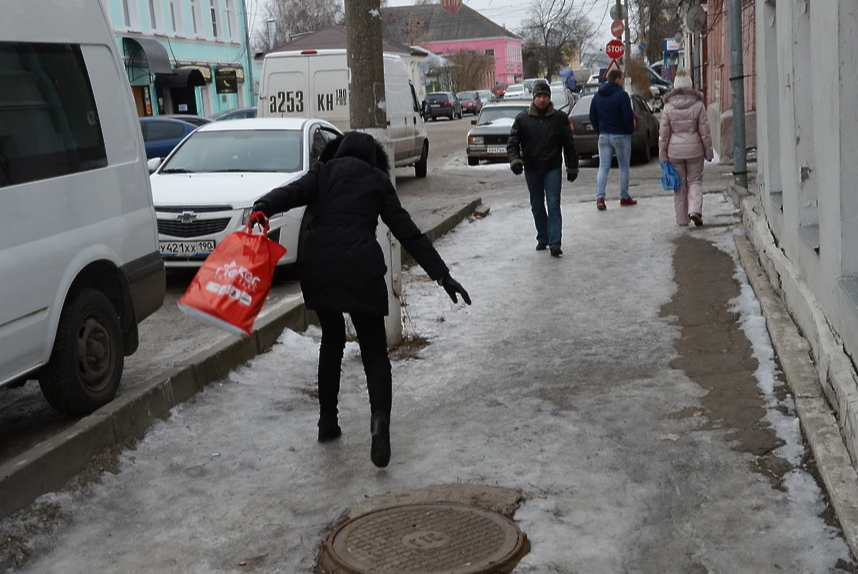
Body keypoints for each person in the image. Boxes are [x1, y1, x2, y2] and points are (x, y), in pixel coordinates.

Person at [250, 131, 471, 468]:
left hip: (319, 266)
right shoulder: (377, 181)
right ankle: (379, 423)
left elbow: (290, 193)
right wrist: (442, 275)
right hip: (361, 269)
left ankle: (327, 421)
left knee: (332, 339)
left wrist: (262, 206)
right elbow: (406, 231)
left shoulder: (322, 174)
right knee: (373, 351)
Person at [507, 81, 579, 258]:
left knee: (553, 203)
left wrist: (572, 166)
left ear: (549, 98)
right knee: (537, 204)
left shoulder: (559, 118)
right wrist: (515, 160)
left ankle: (555, 243)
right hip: (532, 169)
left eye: (545, 96)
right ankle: (543, 237)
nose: (541, 100)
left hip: (552, 168)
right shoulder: (522, 119)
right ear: (534, 98)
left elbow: (569, 144)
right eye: (539, 96)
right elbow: (512, 143)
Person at [658, 68, 714, 226]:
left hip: (674, 152)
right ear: (690, 86)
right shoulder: (698, 105)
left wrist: (663, 156)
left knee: (680, 185)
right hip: (695, 151)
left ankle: (682, 220)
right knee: (695, 180)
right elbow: (705, 132)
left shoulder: (668, 108)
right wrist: (708, 152)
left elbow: (663, 135)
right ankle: (695, 210)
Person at [589, 69, 637, 210]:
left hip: (604, 135)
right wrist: (629, 131)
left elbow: (592, 116)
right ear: (616, 80)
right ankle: (624, 196)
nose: (623, 82)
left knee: (603, 166)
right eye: (622, 79)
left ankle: (600, 197)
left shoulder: (597, 96)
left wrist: (600, 131)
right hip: (620, 135)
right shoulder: (622, 96)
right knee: (623, 166)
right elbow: (627, 116)